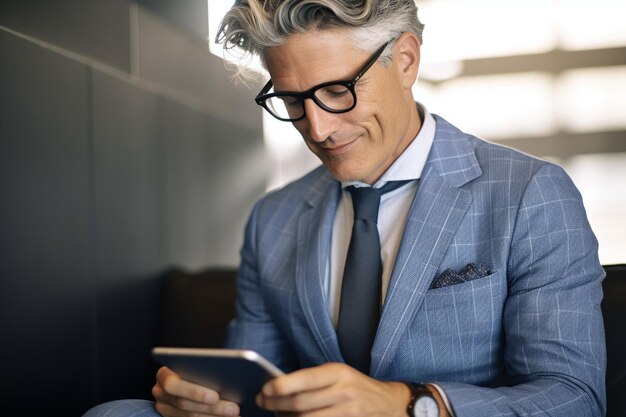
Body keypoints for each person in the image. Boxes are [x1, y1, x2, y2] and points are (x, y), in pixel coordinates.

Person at [84, 1, 606, 416]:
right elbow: (257, 384)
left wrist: (411, 405)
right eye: (292, 101)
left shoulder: (529, 193)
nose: (318, 128)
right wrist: (213, 403)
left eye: (337, 90)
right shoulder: (274, 219)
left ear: (405, 59)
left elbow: (573, 398)